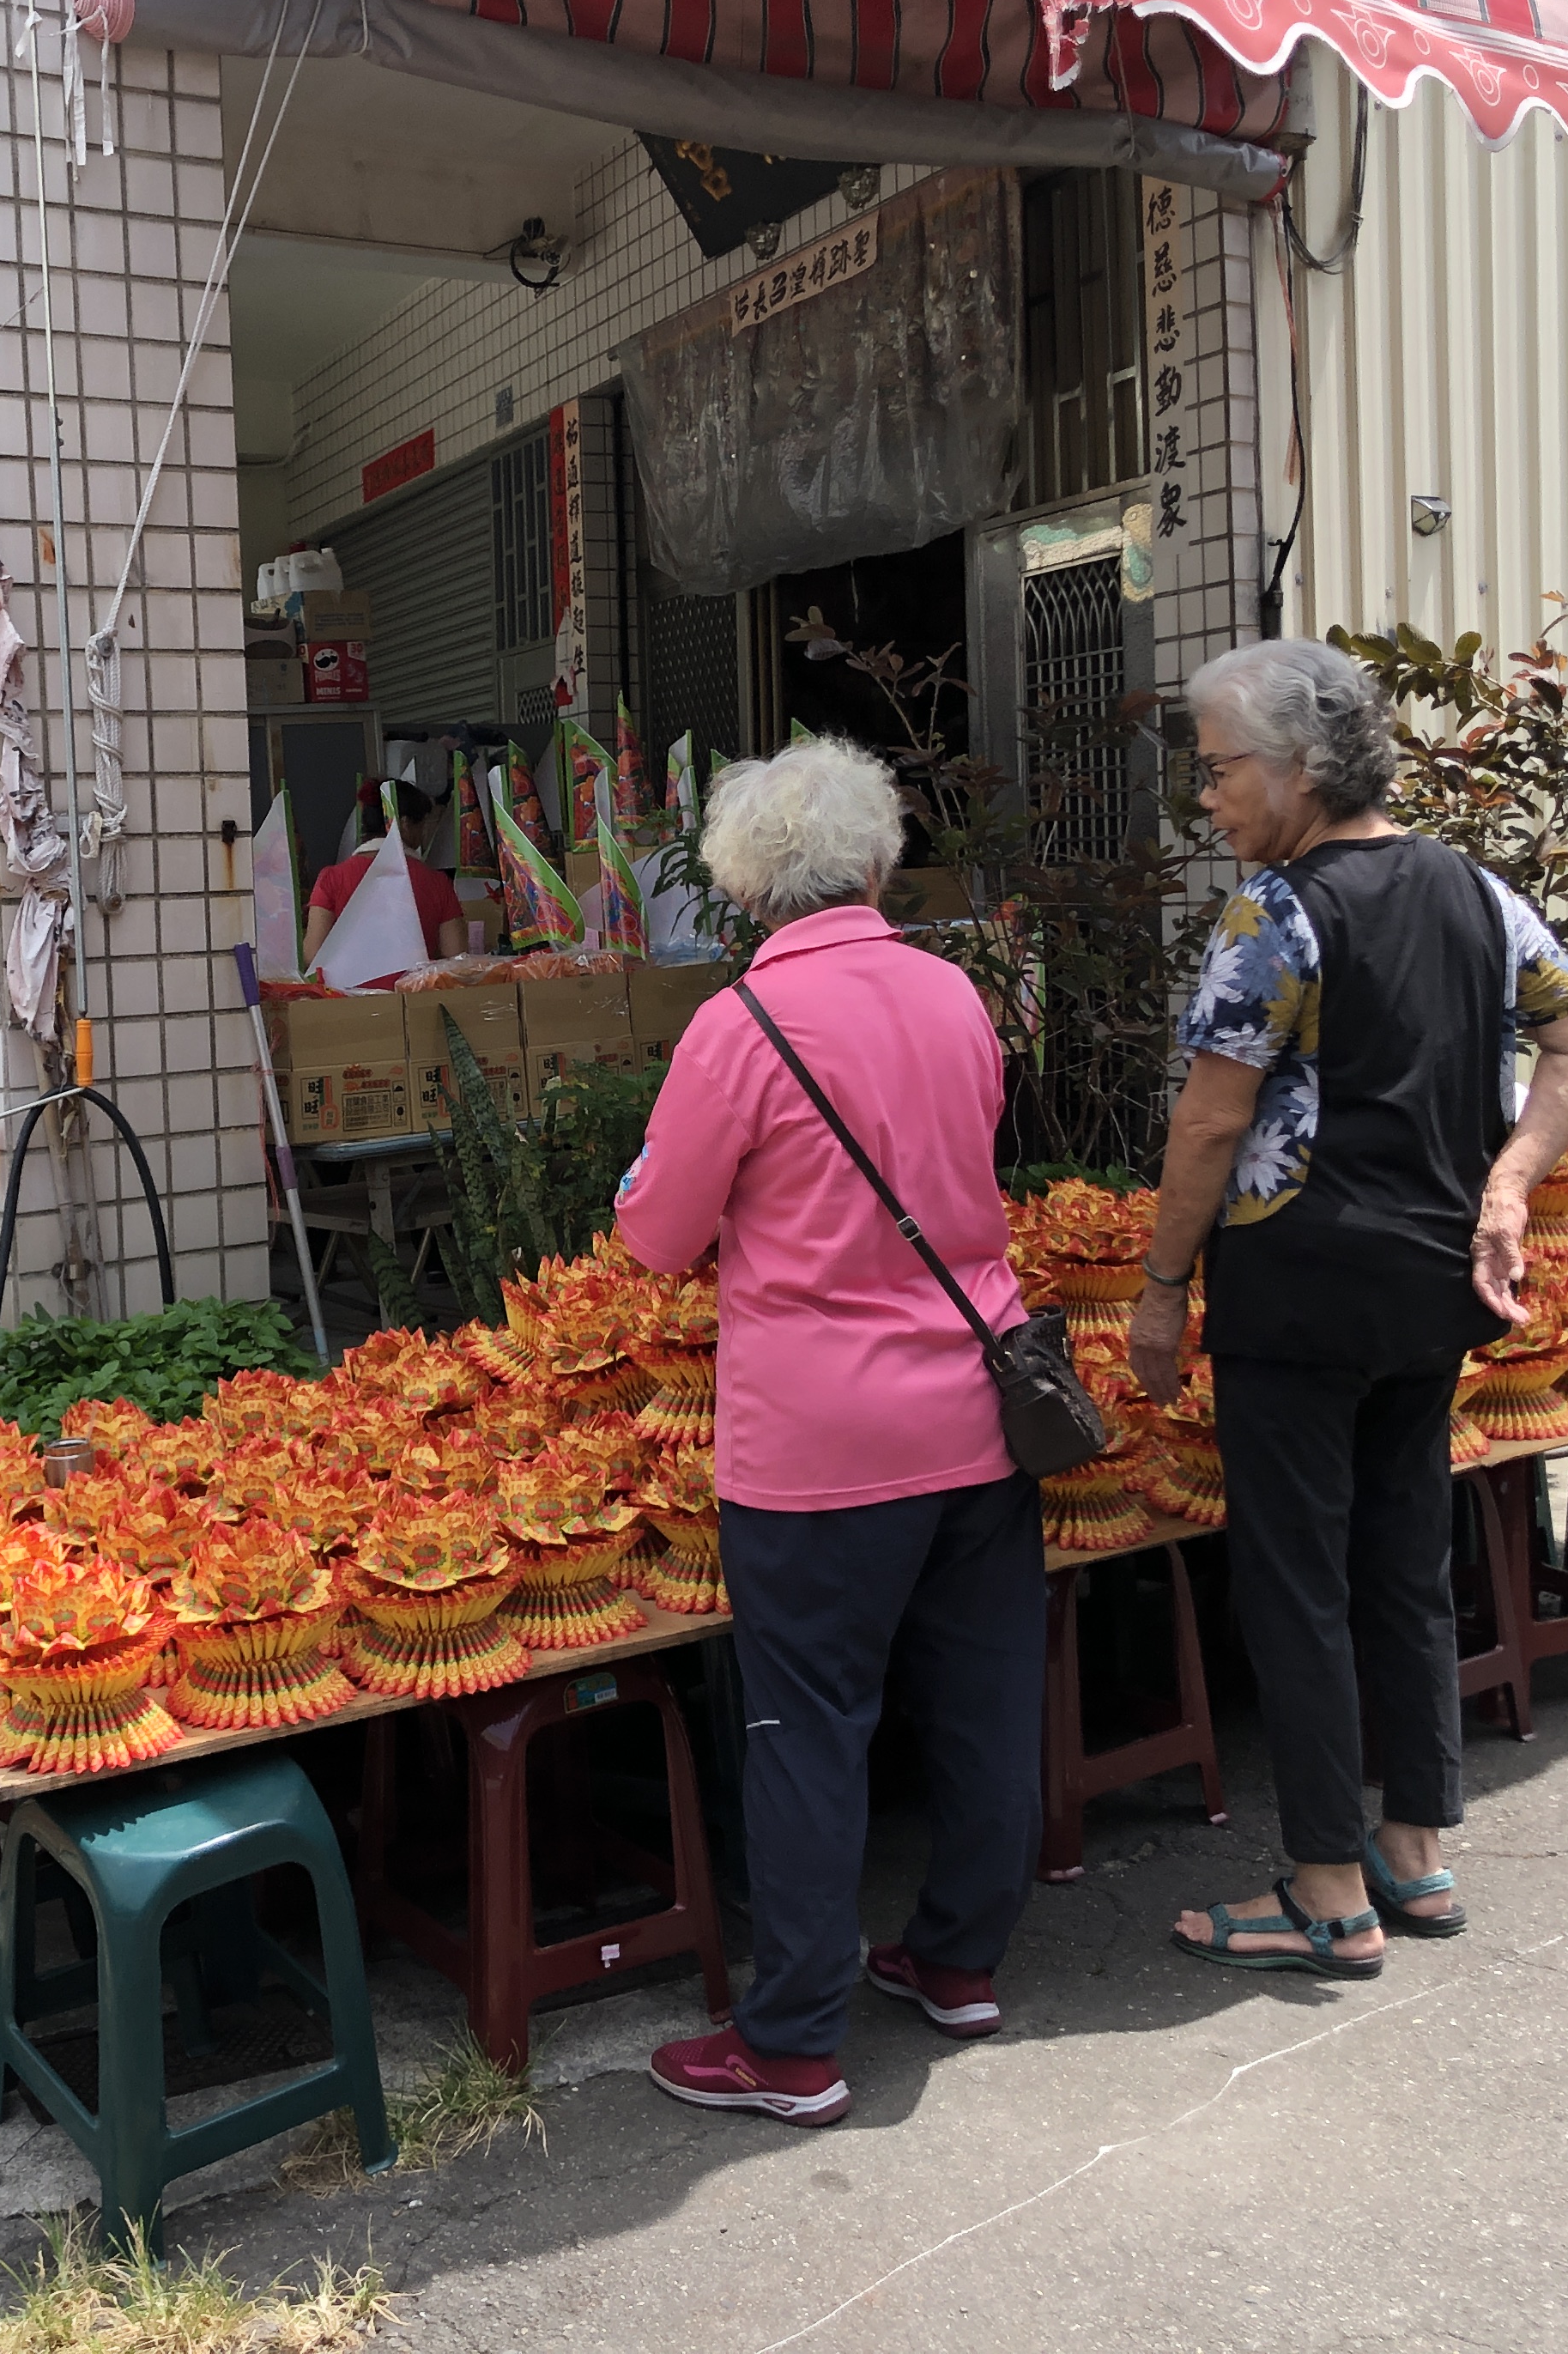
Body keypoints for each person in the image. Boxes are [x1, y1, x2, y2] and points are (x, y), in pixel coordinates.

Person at [1135, 640, 1568, 1978]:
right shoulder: (1473, 889)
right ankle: (1415, 1855)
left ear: (1302, 766)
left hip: (1297, 1291)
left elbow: (1208, 1125)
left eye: (1224, 769)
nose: (1211, 796)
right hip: (1430, 1289)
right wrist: (1509, 1186)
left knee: (1297, 1585)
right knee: (1404, 1564)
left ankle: (1328, 1894)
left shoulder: (1276, 915)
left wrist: (1164, 1290)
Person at [614, 737, 1040, 2128]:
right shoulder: (951, 992)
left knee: (805, 1726)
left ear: (741, 884)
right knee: (978, 1699)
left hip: (817, 1444)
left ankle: (793, 2035)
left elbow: (657, 1233)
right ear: (873, 860)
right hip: (978, 1407)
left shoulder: (740, 1026)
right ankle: (960, 1957)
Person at [300, 782, 469, 984]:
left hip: (347, 1004)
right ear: (405, 824)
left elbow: (313, 955)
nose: (423, 835)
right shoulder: (436, 882)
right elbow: (456, 956)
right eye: (421, 825)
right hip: (414, 1001)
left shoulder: (331, 878)